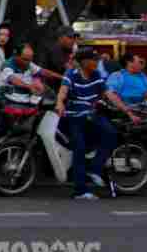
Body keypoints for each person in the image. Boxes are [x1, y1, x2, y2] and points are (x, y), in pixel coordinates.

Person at [56, 47, 139, 200]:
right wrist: (60, 104)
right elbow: (62, 93)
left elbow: (110, 95)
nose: (96, 63)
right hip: (75, 118)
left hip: (92, 116)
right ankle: (80, 191)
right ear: (84, 62)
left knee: (112, 134)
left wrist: (128, 111)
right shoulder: (71, 75)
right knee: (79, 149)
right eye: (94, 60)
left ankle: (94, 169)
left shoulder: (97, 76)